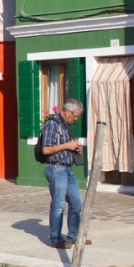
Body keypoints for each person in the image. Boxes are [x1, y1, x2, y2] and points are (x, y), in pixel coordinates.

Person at [40, 98, 91, 249]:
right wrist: (67, 145)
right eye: (75, 116)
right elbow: (46, 149)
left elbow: (64, 147)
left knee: (77, 203)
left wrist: (74, 148)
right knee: (58, 205)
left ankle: (73, 236)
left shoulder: (65, 126)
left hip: (67, 169)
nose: (76, 119)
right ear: (68, 112)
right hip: (56, 168)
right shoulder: (52, 124)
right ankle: (56, 239)